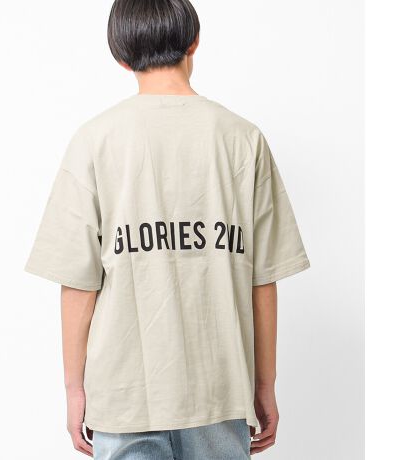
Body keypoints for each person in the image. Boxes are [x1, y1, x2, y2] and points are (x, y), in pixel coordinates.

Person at [25, 0, 310, 458]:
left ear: (120, 56)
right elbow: (263, 280)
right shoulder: (243, 139)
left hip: (124, 394)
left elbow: (78, 283)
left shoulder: (94, 141)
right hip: (220, 391)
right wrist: (264, 384)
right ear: (194, 40)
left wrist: (75, 389)